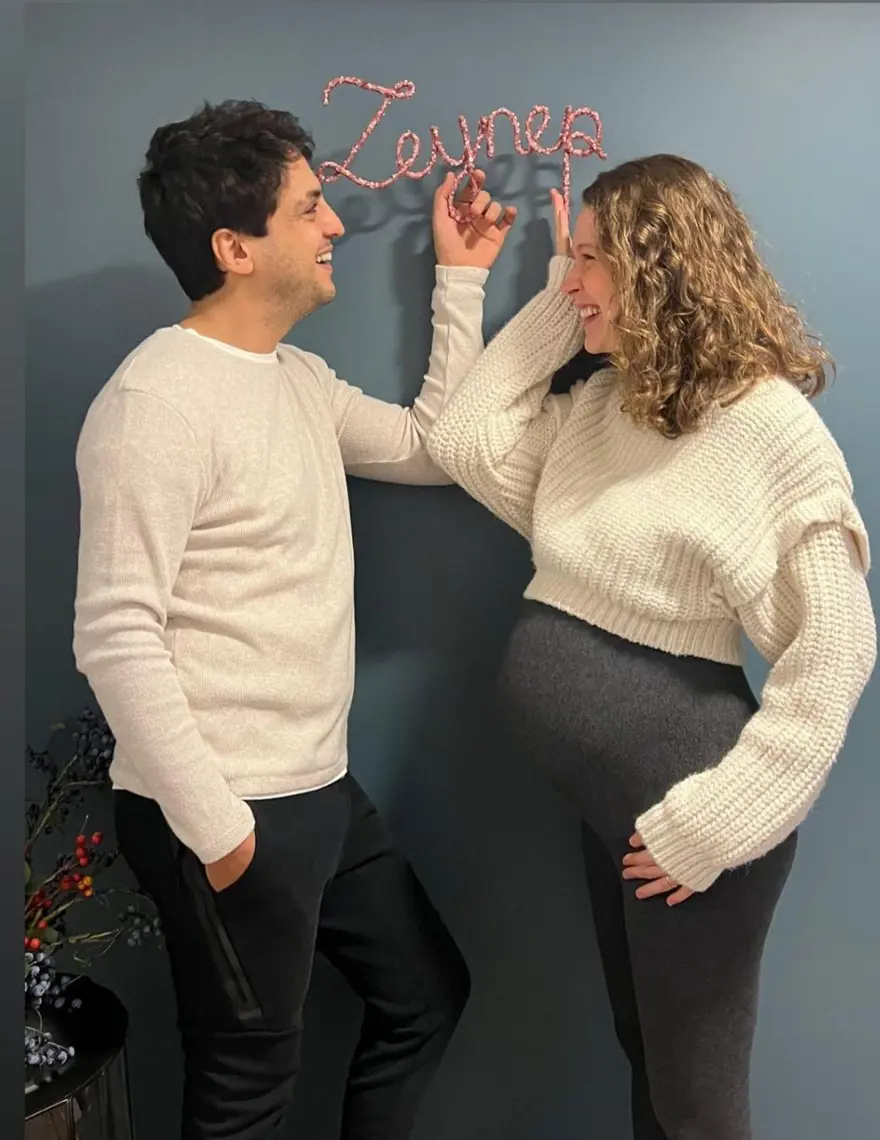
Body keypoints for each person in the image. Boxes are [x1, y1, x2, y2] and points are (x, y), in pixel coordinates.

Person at [72, 99, 514, 1140]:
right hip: (227, 807)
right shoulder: (152, 403)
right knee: (246, 1098)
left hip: (319, 789)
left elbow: (433, 448)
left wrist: (460, 278)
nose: (336, 226)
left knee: (425, 996)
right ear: (235, 247)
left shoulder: (299, 379)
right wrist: (223, 836)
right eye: (310, 207)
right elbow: (115, 636)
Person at [427, 154, 876, 1139]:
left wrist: (720, 822)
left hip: (695, 815)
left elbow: (836, 649)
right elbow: (465, 438)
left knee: (697, 1108)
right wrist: (563, 296)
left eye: (592, 258)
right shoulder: (607, 406)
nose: (572, 277)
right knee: (646, 1054)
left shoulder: (768, 425)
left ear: (659, 265)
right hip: (617, 804)